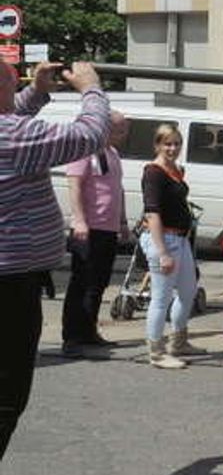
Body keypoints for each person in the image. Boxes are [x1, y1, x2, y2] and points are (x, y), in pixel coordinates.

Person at [1, 61, 109, 475]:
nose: (18, 84)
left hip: (10, 280)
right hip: (9, 286)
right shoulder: (13, 136)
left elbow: (14, 124)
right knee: (6, 398)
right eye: (12, 80)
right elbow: (89, 135)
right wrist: (92, 88)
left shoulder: (12, 132)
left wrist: (36, 93)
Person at [61, 110, 131, 357]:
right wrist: (79, 220)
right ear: (105, 128)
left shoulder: (112, 154)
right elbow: (75, 186)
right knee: (81, 282)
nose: (124, 135)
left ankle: (88, 330)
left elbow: (117, 189)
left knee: (99, 283)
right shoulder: (84, 151)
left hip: (108, 228)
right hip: (89, 228)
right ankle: (72, 337)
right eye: (121, 130)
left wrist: (122, 221)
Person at [140, 123, 204, 370]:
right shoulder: (153, 173)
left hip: (180, 239)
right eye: (167, 143)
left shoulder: (176, 170)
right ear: (157, 145)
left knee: (188, 291)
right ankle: (156, 353)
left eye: (176, 143)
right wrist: (162, 252)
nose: (173, 148)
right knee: (161, 298)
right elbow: (153, 213)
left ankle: (178, 342)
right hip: (163, 240)